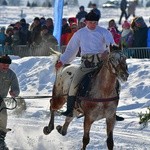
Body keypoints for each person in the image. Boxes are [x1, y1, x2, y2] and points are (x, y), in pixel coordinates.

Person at [55, 11, 124, 121]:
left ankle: (113, 112)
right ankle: (70, 109)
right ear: (86, 22)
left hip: (101, 65)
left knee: (116, 84)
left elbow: (111, 45)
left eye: (95, 22)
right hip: (86, 65)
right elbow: (71, 50)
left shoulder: (104, 32)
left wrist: (108, 51)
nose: (93, 24)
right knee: (74, 83)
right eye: (91, 22)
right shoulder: (79, 33)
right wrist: (62, 61)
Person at [0, 55, 20, 149]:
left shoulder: (11, 74)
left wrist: (14, 93)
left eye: (7, 65)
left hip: (1, 100)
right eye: (3, 64)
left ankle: (1, 141)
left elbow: (16, 89)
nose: (5, 67)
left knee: (3, 117)